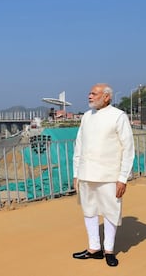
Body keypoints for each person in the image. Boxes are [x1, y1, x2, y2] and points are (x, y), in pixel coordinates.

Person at [72, 83, 135, 267]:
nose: (89, 96)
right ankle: (94, 248)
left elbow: (128, 148)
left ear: (106, 97)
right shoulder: (86, 117)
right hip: (86, 173)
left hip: (109, 175)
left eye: (94, 93)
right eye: (89, 93)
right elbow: (79, 146)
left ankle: (109, 250)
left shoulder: (118, 116)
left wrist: (122, 178)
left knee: (110, 212)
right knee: (89, 211)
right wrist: (76, 173)